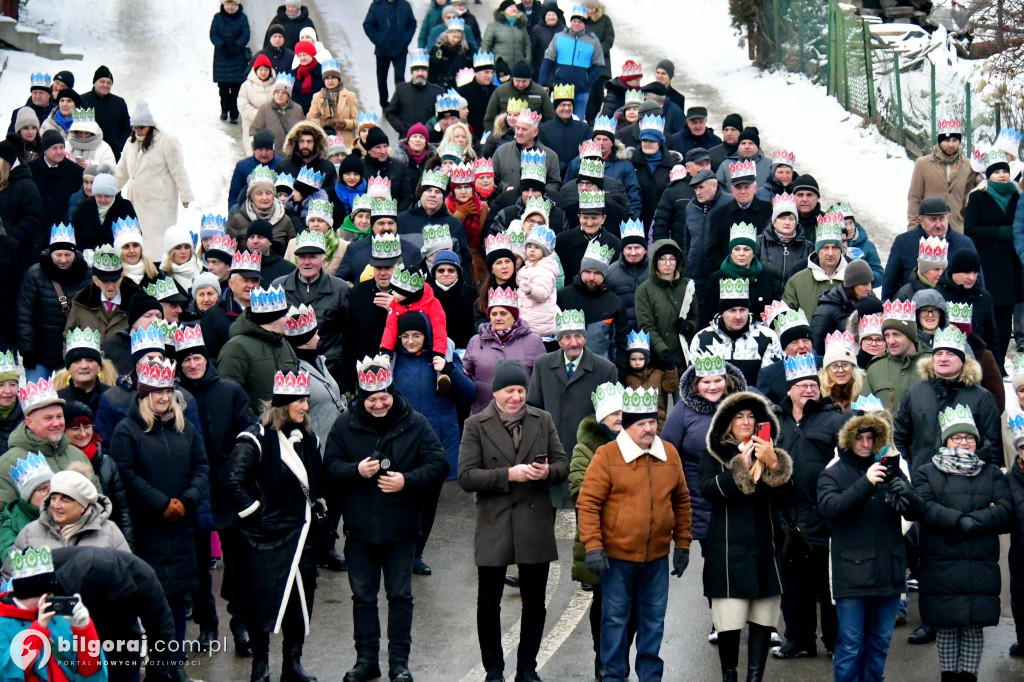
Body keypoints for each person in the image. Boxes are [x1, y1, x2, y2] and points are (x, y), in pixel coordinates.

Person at [324, 355, 447, 682]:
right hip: (360, 532)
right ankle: (366, 661)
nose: (379, 404)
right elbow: (330, 468)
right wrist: (356, 471)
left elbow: (438, 465)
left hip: (401, 530)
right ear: (362, 398)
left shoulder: (415, 423)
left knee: (400, 597)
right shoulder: (344, 425)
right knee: (363, 599)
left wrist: (407, 480)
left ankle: (399, 663)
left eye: (384, 397)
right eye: (372, 399)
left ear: (392, 394)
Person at [458, 358, 568, 682]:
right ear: (496, 393)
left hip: (534, 523)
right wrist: (508, 474)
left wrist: (547, 471)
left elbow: (563, 464)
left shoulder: (542, 419)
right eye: (509, 390)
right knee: (488, 602)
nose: (516, 397)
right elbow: (466, 476)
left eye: (520, 390)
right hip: (495, 521)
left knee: (535, 602)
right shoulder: (476, 425)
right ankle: (494, 668)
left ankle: (527, 668)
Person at [577, 385, 692, 682]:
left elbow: (681, 500)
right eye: (641, 423)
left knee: (653, 622)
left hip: (655, 558)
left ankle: (650, 676)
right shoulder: (607, 455)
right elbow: (588, 503)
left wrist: (682, 544)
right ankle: (613, 677)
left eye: (652, 422)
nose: (648, 428)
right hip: (617, 559)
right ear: (628, 426)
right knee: (614, 622)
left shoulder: (669, 454)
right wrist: (593, 546)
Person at [227, 369, 323, 682]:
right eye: (300, 401)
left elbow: (316, 483)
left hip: (302, 536)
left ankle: (291, 665)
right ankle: (261, 666)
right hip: (264, 538)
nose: (305, 407)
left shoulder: (309, 440)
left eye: (306, 401)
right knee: (262, 604)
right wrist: (255, 513)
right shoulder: (255, 438)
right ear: (283, 403)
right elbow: (234, 479)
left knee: (300, 604)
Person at [110, 358, 209, 656]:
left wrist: (186, 500)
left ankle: (175, 661)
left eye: (168, 390)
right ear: (143, 395)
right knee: (151, 598)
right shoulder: (126, 431)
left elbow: (202, 467)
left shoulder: (186, 429)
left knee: (178, 599)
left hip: (181, 527)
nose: (164, 397)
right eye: (156, 391)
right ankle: (156, 664)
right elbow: (126, 474)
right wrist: (161, 504)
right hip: (147, 528)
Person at [907, 406, 1013, 682]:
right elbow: (924, 507)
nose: (964, 442)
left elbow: (1005, 511)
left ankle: (968, 677)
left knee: (973, 627)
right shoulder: (927, 472)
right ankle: (948, 677)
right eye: (957, 437)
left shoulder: (992, 473)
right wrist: (960, 521)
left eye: (969, 437)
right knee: (946, 626)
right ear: (946, 440)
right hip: (940, 560)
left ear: (977, 441)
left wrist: (972, 521)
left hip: (979, 561)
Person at [700, 390, 793, 682]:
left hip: (765, 550)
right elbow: (708, 491)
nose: (745, 421)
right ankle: (730, 676)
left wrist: (774, 465)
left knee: (763, 623)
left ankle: (755, 678)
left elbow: (789, 497)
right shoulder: (714, 455)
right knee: (728, 625)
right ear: (726, 422)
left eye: (751, 416)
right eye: (738, 416)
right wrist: (740, 467)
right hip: (727, 554)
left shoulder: (771, 452)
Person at [817, 410, 912, 682]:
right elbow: (831, 510)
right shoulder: (832, 474)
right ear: (849, 440)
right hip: (853, 575)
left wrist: (903, 492)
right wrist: (867, 482)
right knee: (850, 646)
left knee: (880, 643)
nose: (867, 445)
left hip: (889, 572)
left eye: (872, 438)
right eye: (860, 438)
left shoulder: (890, 468)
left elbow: (915, 511)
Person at [771, 352, 848, 661]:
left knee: (828, 587)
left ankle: (835, 641)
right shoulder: (773, 422)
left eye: (812, 385)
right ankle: (799, 640)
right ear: (789, 390)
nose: (808, 390)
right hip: (788, 517)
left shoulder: (836, 419)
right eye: (801, 385)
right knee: (793, 586)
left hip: (825, 516)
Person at [895, 326, 1002, 473]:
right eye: (938, 353)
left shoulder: (982, 397)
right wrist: (911, 469)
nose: (943, 358)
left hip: (968, 484)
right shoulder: (915, 393)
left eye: (950, 354)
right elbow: (899, 438)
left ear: (962, 359)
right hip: (923, 481)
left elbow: (993, 446)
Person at [0, 547, 105, 680]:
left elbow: (89, 669)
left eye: (50, 594)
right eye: (43, 594)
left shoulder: (61, 618)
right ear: (25, 594)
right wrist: (37, 631)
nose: (48, 599)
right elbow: (8, 674)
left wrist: (84, 630)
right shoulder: (3, 625)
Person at [964, 148, 1020, 372]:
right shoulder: (978, 197)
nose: (1002, 175)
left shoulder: (1017, 196)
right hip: (988, 264)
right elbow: (971, 229)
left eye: (1004, 171)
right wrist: (999, 232)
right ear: (988, 175)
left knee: (1007, 314)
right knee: (989, 313)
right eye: (996, 172)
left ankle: (1000, 362)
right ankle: (986, 359)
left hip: (1012, 264)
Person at [7, 467, 130, 569]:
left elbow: (127, 574)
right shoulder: (30, 532)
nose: (56, 505)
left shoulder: (109, 532)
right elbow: (9, 576)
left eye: (65, 500)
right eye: (53, 498)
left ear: (83, 506)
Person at [115, 102, 194, 258]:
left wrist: (185, 195)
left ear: (150, 126)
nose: (138, 131)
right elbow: (121, 171)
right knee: (139, 241)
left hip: (159, 203)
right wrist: (110, 191)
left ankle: (159, 270)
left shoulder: (167, 141)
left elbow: (178, 170)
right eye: (135, 128)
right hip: (136, 201)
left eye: (141, 128)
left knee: (157, 244)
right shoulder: (130, 143)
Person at [16, 225, 91, 382]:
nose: (63, 260)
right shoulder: (35, 275)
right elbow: (24, 313)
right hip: (40, 351)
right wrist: (27, 349)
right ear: (51, 253)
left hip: (73, 350)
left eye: (67, 254)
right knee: (36, 397)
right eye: (58, 255)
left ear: (74, 254)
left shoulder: (86, 275)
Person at [882, 196, 980, 301]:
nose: (938, 225)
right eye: (932, 219)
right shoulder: (904, 242)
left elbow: (978, 285)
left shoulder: (964, 244)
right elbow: (890, 284)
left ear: (948, 218)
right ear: (920, 221)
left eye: (942, 218)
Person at [218, 284, 300, 407]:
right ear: (270, 319)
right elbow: (228, 396)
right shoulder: (236, 348)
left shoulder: (284, 343)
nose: (288, 319)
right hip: (256, 424)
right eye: (283, 315)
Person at [689, 282, 783, 388]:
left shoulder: (766, 337)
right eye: (732, 311)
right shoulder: (702, 339)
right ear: (722, 312)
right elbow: (695, 383)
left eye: (742, 310)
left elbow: (770, 383)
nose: (738, 316)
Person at [556, 240, 628, 368]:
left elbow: (619, 344)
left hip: (600, 370)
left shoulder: (614, 303)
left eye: (597, 273)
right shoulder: (562, 297)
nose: (591, 278)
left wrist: (617, 375)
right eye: (588, 272)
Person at [634, 239, 701, 371]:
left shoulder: (688, 286)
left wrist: (689, 326)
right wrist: (662, 350)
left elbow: (695, 317)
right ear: (655, 262)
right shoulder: (644, 290)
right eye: (663, 259)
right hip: (658, 358)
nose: (668, 263)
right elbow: (646, 325)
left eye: (672, 259)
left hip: (686, 355)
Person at [861, 299, 931, 413]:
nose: (891, 341)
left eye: (896, 335)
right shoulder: (875, 368)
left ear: (910, 336)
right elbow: (865, 414)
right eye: (887, 336)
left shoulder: (933, 362)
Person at [907, 119, 976, 232]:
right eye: (947, 140)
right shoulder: (923, 164)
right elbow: (914, 198)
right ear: (939, 141)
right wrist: (914, 228)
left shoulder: (968, 165)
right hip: (930, 229)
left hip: (957, 229)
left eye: (955, 140)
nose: (951, 144)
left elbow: (970, 196)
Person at [701, 223, 774, 326]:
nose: (741, 254)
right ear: (731, 251)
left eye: (746, 249)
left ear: (753, 253)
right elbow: (708, 316)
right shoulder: (716, 279)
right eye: (737, 249)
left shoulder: (765, 276)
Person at [756, 192, 815, 300]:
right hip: (765, 303)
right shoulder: (759, 243)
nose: (787, 222)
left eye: (791, 219)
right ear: (774, 221)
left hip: (795, 303)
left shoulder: (808, 247)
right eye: (782, 218)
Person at [363, 0, 418, 108]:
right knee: (382, 78)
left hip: (400, 50)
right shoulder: (376, 5)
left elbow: (412, 23)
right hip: (383, 51)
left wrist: (406, 40)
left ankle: (400, 104)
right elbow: (368, 25)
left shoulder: (404, 5)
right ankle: (384, 104)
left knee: (400, 78)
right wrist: (379, 40)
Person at [29, 131, 85, 233]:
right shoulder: (30, 170)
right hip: (37, 229)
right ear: (45, 150)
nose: (59, 152)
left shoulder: (76, 172)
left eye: (61, 147)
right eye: (54, 148)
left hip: (66, 229)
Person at [209, 0, 251, 124]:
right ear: (224, 5)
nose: (230, 7)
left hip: (237, 57)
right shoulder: (217, 18)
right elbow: (213, 34)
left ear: (236, 5)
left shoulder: (242, 18)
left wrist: (237, 46)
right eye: (228, 5)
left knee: (236, 88)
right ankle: (224, 110)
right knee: (223, 88)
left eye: (233, 5)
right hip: (222, 57)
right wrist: (222, 45)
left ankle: (234, 114)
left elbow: (246, 34)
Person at [80, 66, 132, 162]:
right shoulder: (82, 100)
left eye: (109, 83)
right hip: (87, 153)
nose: (105, 85)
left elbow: (126, 128)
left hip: (113, 154)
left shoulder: (119, 102)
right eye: (102, 81)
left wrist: (119, 145)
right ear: (94, 82)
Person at [239, 58, 279, 156]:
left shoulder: (277, 84)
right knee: (253, 153)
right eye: (260, 70)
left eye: (266, 70)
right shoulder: (246, 86)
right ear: (255, 70)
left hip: (272, 123)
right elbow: (243, 105)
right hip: (252, 123)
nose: (263, 72)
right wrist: (260, 115)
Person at [894, 235, 948, 301]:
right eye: (936, 269)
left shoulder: (948, 292)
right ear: (924, 271)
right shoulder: (905, 295)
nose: (941, 273)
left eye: (943, 269)